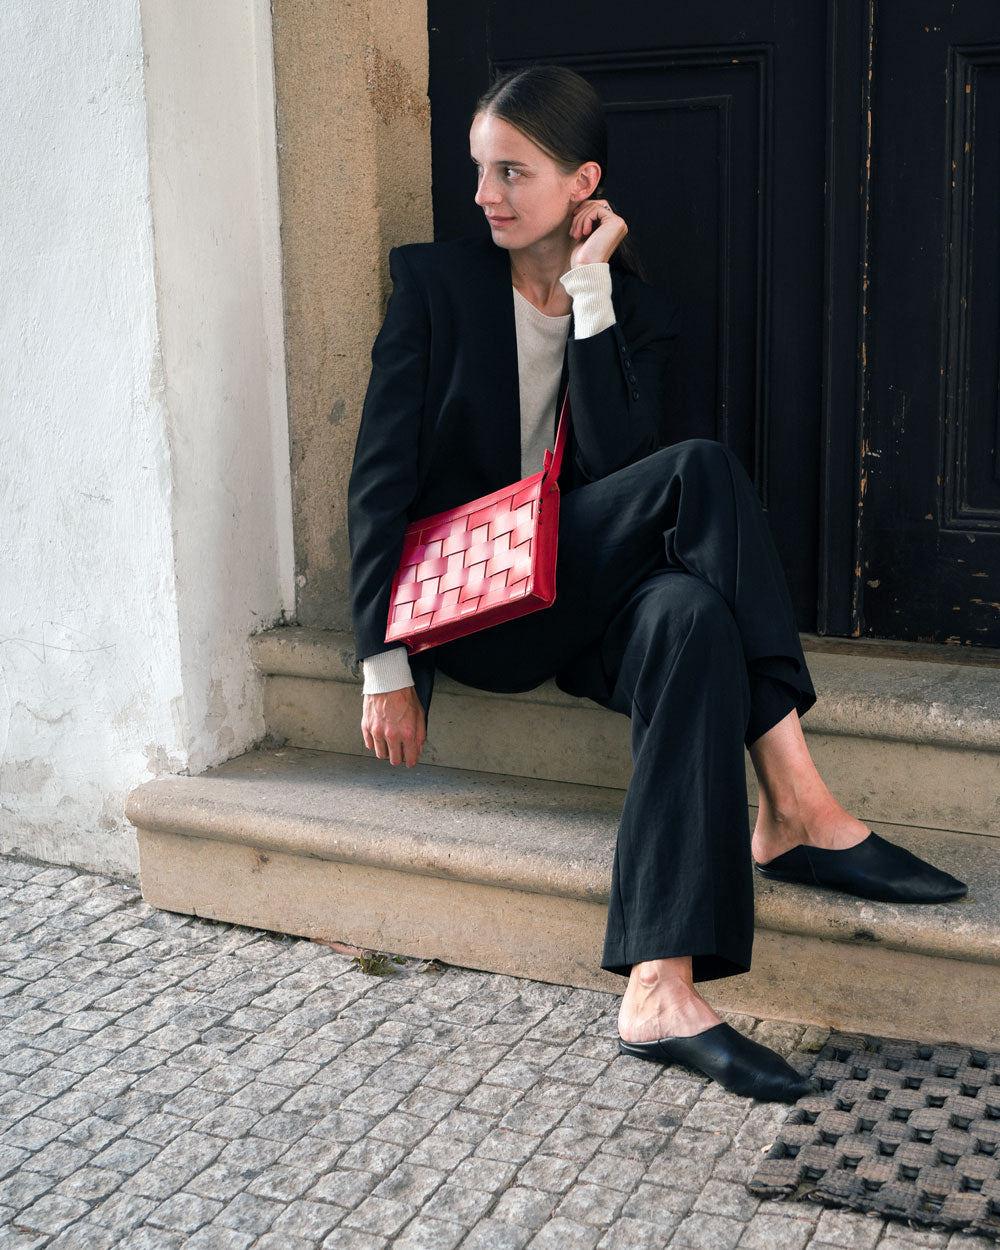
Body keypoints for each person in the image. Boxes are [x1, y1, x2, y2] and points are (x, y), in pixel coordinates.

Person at [348, 65, 967, 1103]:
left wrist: (587, 291)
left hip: (582, 591)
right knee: (705, 471)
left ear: (582, 180)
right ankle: (798, 800)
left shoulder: (631, 312)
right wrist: (382, 660)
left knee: (689, 617)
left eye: (514, 171)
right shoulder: (434, 288)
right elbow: (377, 483)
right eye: (479, 170)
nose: (485, 194)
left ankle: (660, 986)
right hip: (478, 609)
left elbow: (617, 458)